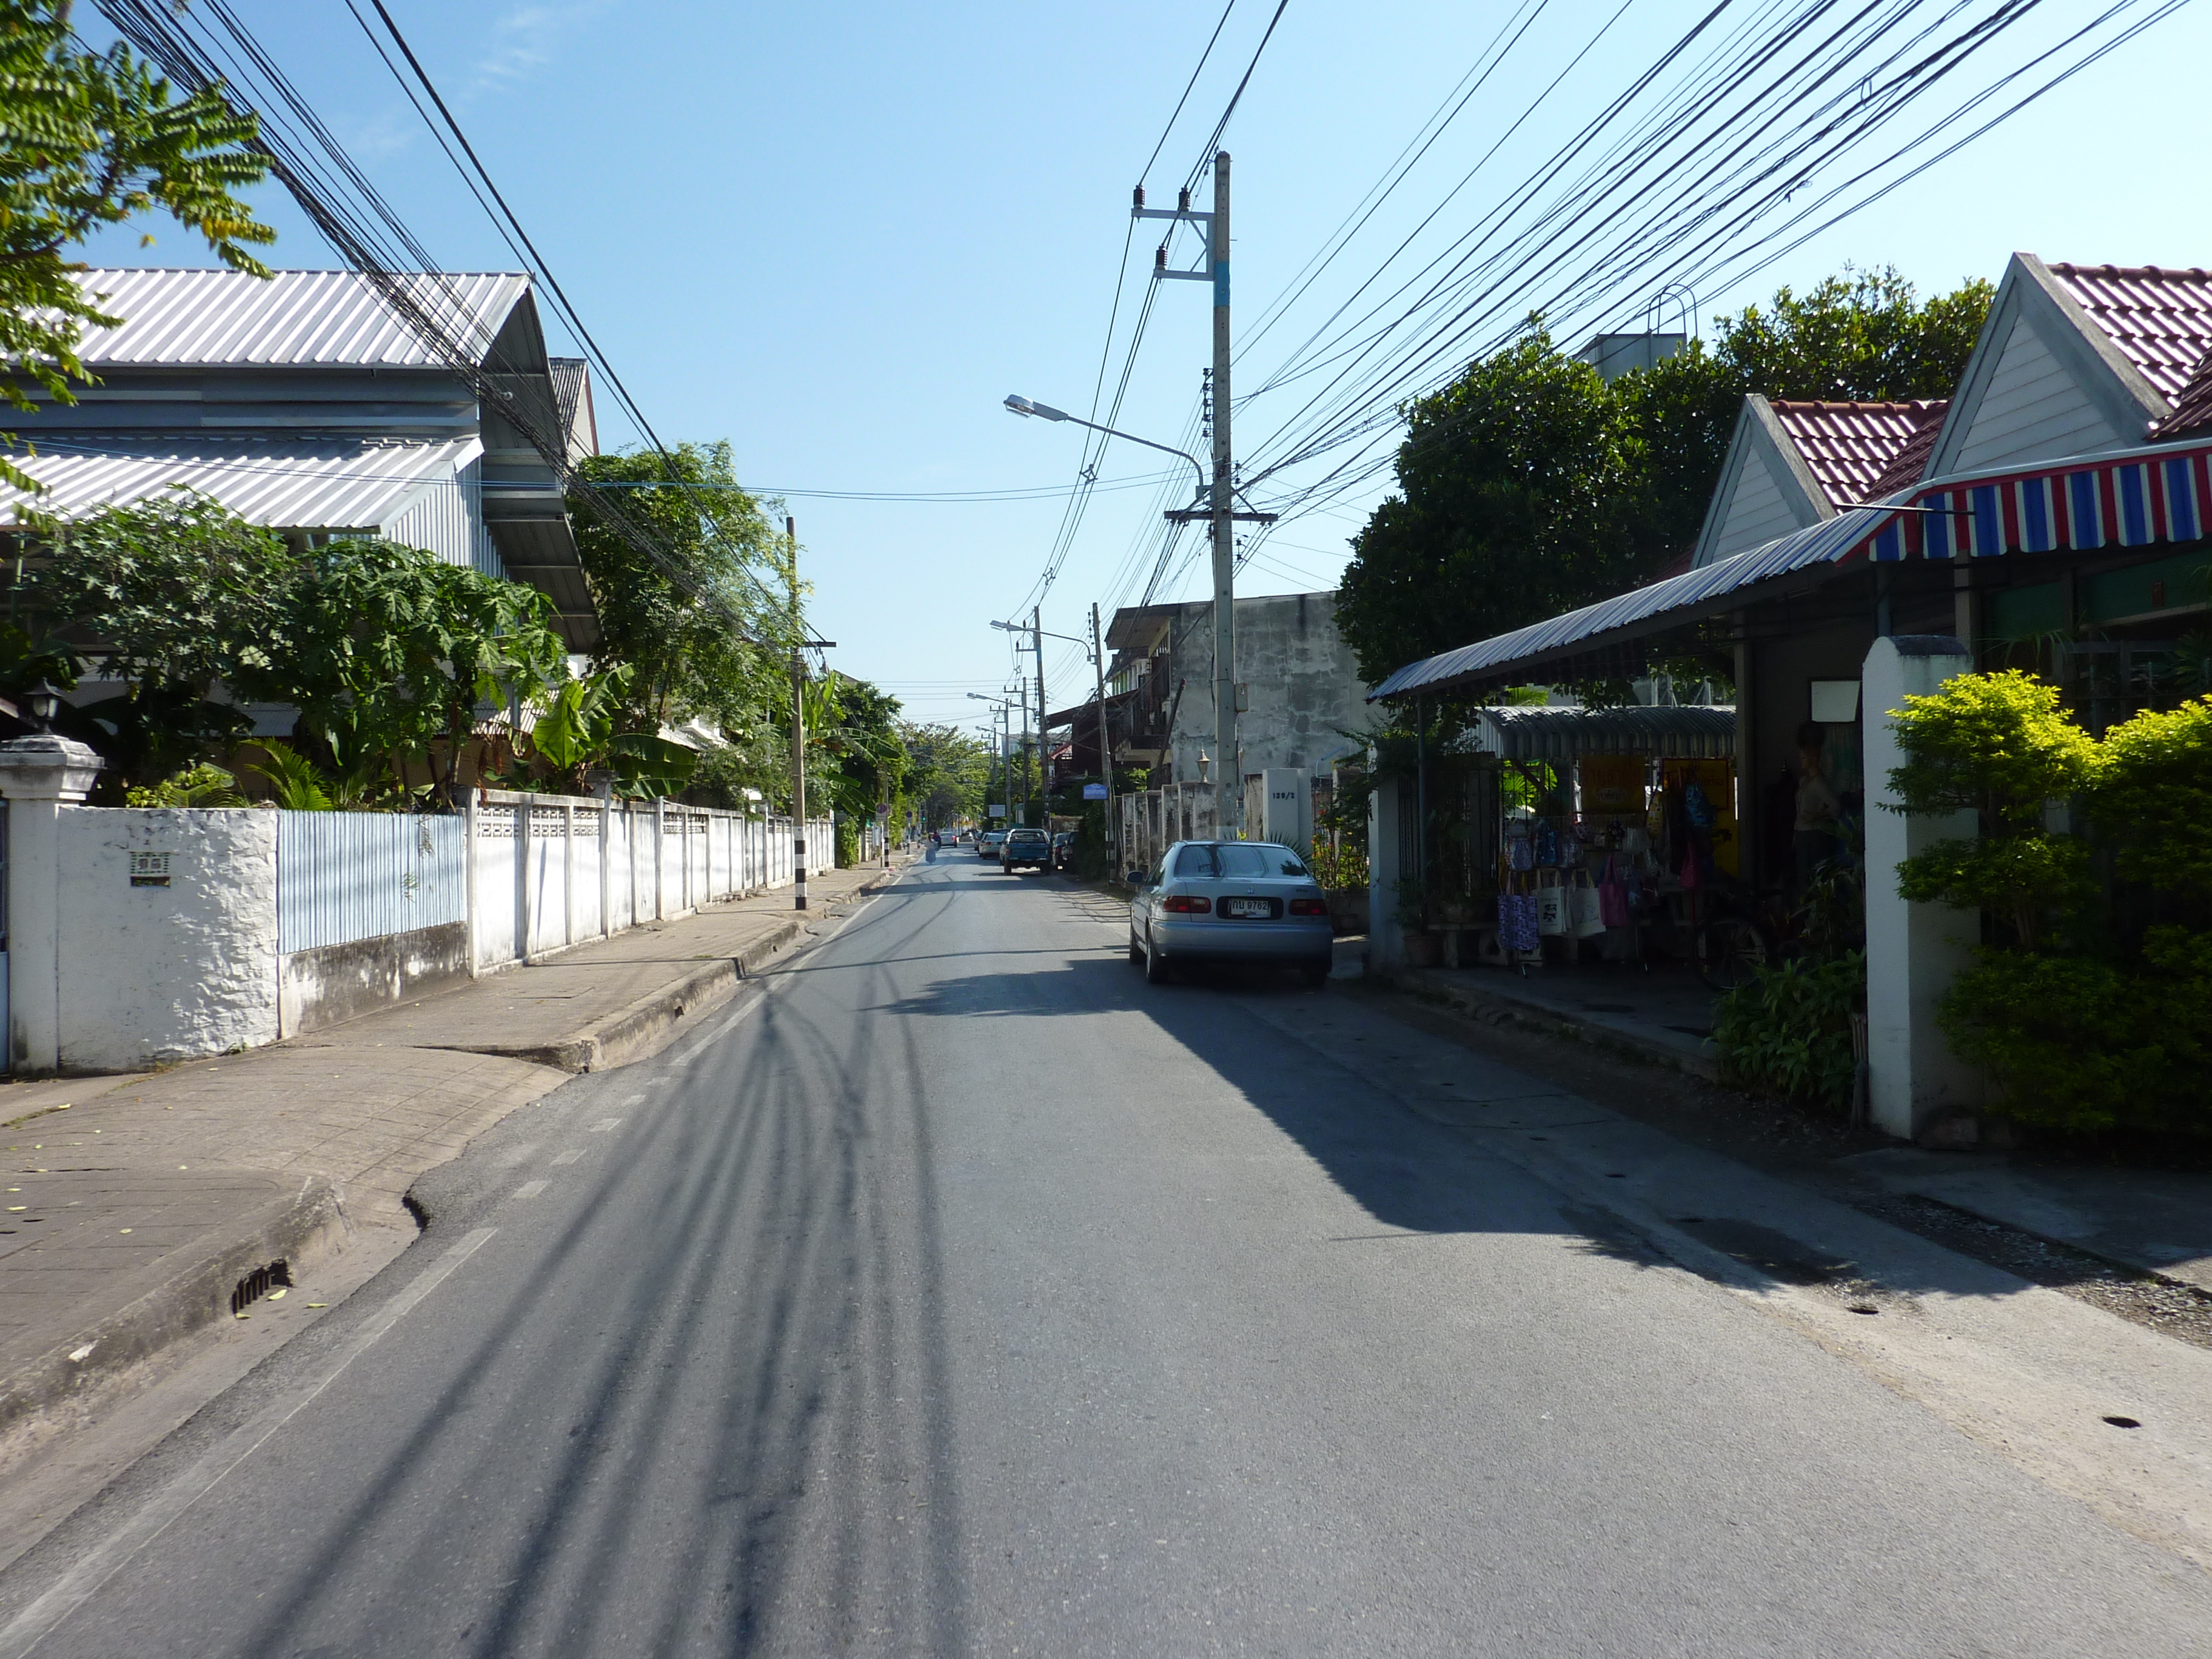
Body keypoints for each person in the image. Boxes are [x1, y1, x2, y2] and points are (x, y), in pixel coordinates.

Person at [1793, 719, 1842, 892]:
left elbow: (1835, 807)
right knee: (1803, 877)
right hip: (1802, 832)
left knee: (1813, 878)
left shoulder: (1819, 784)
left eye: (1804, 758)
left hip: (1814, 835)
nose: (1801, 761)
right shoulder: (1805, 781)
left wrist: (1816, 815)